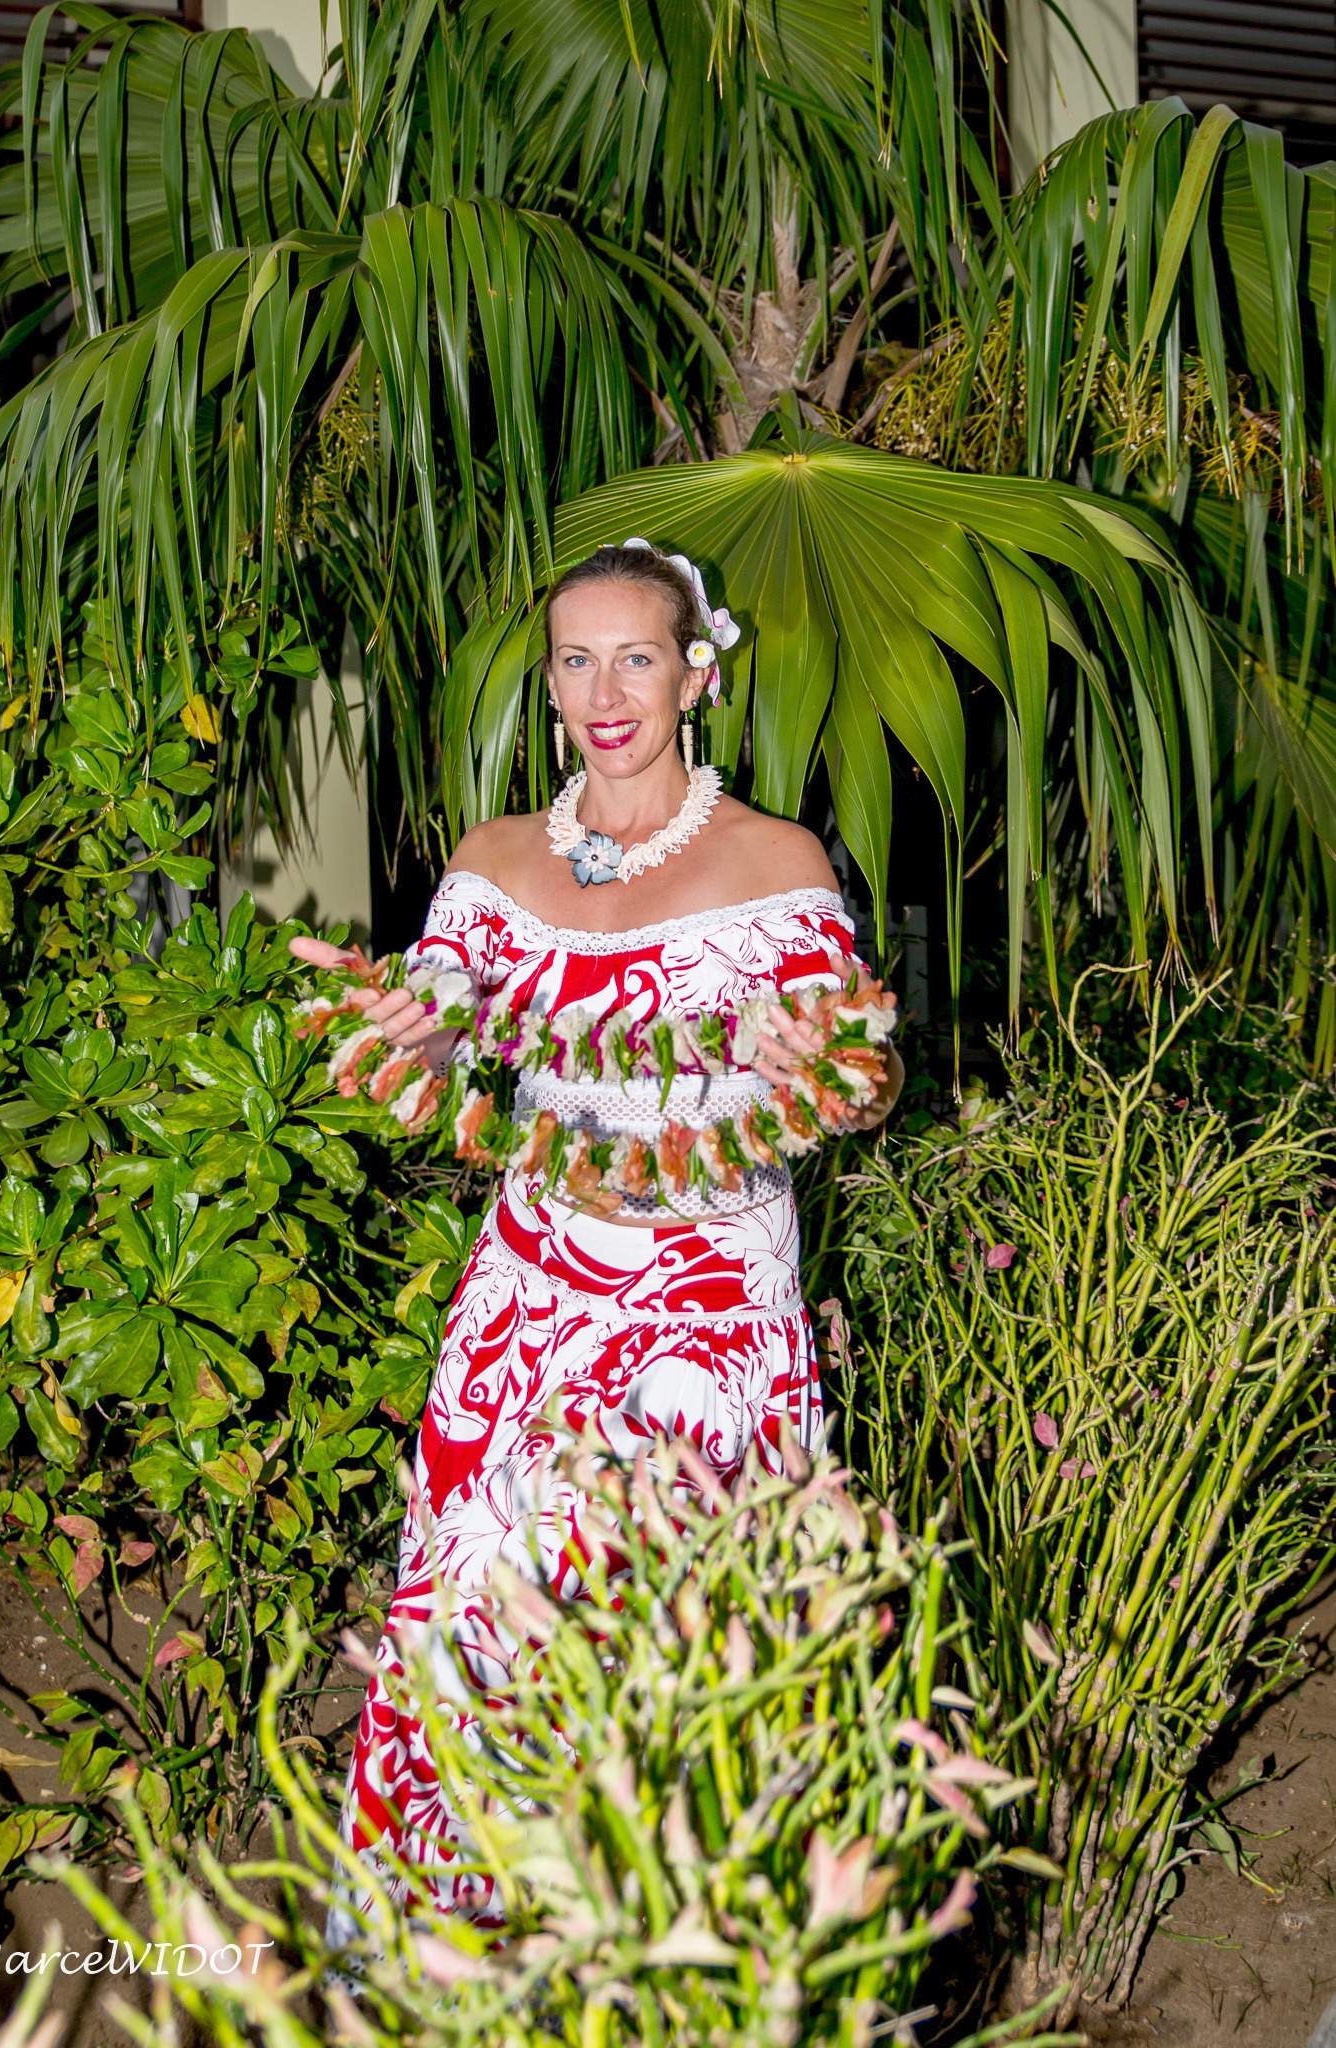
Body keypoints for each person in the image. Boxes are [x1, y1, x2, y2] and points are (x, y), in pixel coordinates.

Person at [290, 539, 903, 1945]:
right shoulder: (498, 856)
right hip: (530, 1289)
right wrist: (394, 1026)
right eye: (575, 659)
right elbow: (448, 1011)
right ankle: (463, 1929)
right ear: (549, 682)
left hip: (711, 1288)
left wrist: (841, 1059)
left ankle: (667, 1941)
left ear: (695, 672)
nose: (603, 689)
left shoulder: (774, 860)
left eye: (637, 656)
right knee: (484, 1589)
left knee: (673, 1605)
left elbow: (858, 1091)